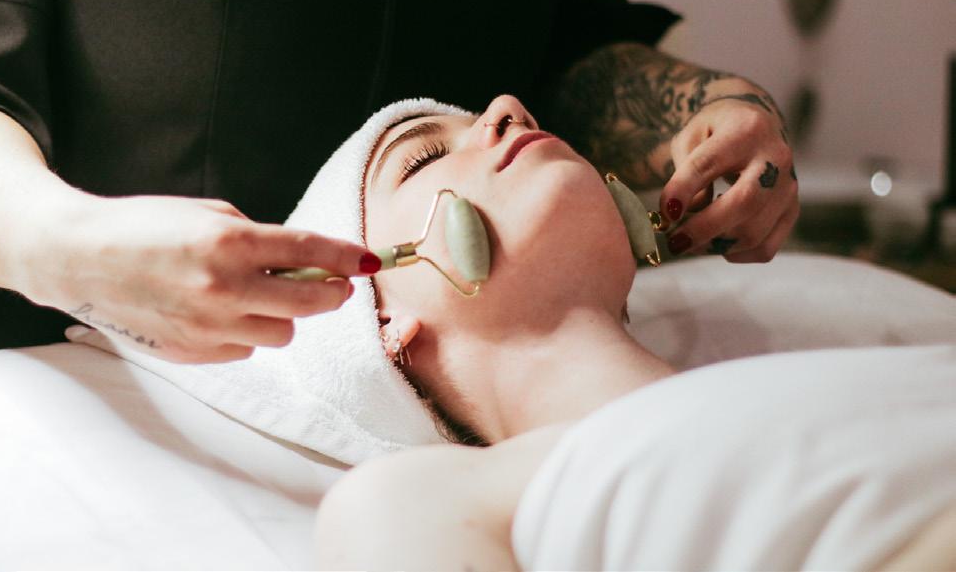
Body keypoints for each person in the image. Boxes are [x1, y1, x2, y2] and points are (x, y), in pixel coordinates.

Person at [0, 0, 795, 365]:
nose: (503, 112)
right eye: (419, 159)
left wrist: (704, 111)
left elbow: (570, 44)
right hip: (93, 375)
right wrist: (68, 246)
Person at [307, 96, 954, 571]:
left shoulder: (818, 375)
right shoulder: (413, 499)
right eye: (423, 157)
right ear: (380, 322)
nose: (508, 108)